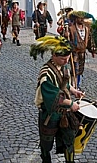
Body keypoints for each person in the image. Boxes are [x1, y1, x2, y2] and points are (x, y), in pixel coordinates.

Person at [30, 35, 84, 163]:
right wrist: (71, 103)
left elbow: (64, 83)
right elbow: (53, 97)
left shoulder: (64, 67)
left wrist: (74, 91)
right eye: (63, 58)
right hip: (50, 114)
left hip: (64, 113)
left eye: (68, 58)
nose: (66, 61)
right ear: (53, 55)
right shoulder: (46, 74)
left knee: (68, 141)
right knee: (46, 144)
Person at [67, 11, 95, 89]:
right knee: (74, 70)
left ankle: (77, 85)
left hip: (82, 53)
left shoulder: (87, 28)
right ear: (76, 19)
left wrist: (92, 49)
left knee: (80, 70)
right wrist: (66, 36)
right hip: (75, 52)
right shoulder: (71, 29)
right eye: (79, 18)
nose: (81, 19)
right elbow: (67, 41)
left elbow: (89, 40)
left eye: (82, 18)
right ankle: (73, 86)